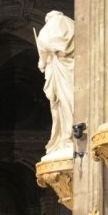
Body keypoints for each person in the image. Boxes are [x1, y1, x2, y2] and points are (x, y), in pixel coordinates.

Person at [36, 10, 76, 160]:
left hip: (59, 70)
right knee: (71, 101)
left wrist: (42, 63)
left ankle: (65, 138)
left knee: (61, 104)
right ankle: (70, 136)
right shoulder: (73, 24)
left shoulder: (47, 30)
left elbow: (43, 56)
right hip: (73, 69)